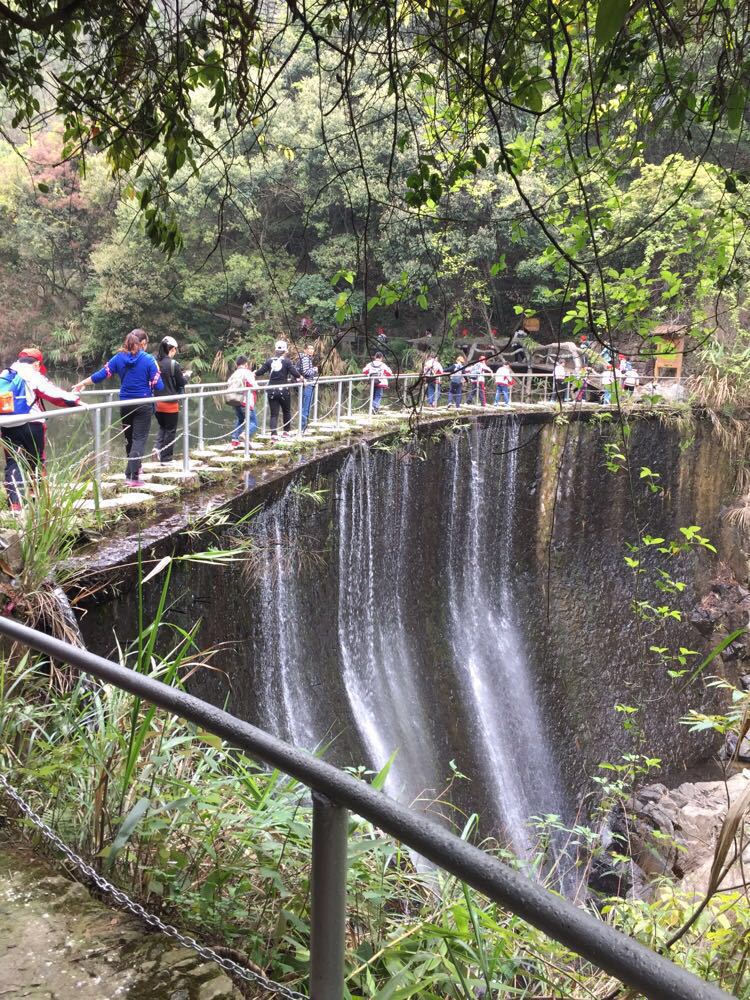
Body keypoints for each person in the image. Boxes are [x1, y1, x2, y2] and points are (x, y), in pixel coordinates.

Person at [73, 329, 163, 487]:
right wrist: (153, 378)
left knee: (129, 438)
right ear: (141, 344)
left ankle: (132, 470)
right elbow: (159, 385)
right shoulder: (149, 359)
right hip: (143, 404)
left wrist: (82, 383)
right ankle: (133, 477)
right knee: (139, 439)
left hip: (124, 404)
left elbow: (101, 375)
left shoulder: (118, 358)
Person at [0, 348, 81, 510]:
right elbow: (53, 394)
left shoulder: (4, 374)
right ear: (36, 363)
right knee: (36, 461)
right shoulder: (33, 375)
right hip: (32, 424)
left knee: (12, 463)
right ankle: (37, 499)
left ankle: (15, 505)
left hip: (7, 424)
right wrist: (76, 401)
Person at [256, 340, 302, 438]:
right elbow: (295, 373)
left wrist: (253, 373)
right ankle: (286, 432)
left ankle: (273, 434)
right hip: (284, 391)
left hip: (271, 390)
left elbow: (260, 372)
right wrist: (302, 378)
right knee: (286, 411)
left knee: (273, 414)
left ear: (275, 349)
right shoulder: (287, 362)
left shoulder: (269, 361)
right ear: (285, 350)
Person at [152, 336, 187, 463]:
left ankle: (157, 449)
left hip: (156, 402)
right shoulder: (173, 364)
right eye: (175, 350)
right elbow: (181, 382)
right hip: (170, 403)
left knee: (162, 427)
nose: (175, 352)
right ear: (171, 349)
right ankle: (166, 458)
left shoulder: (154, 363)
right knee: (171, 429)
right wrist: (186, 376)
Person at [225, 355, 259, 447]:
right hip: (246, 401)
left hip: (236, 401)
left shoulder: (234, 374)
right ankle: (244, 435)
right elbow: (254, 386)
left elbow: (228, 383)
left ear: (237, 364)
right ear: (246, 364)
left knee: (240, 419)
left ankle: (235, 440)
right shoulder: (247, 373)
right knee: (254, 423)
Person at [298, 343, 319, 431]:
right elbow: (306, 372)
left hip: (305, 384)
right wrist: (315, 369)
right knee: (305, 407)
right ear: (305, 350)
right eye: (309, 349)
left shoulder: (304, 358)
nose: (311, 350)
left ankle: (303, 426)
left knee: (304, 406)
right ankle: (302, 428)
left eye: (312, 349)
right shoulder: (306, 358)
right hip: (307, 385)